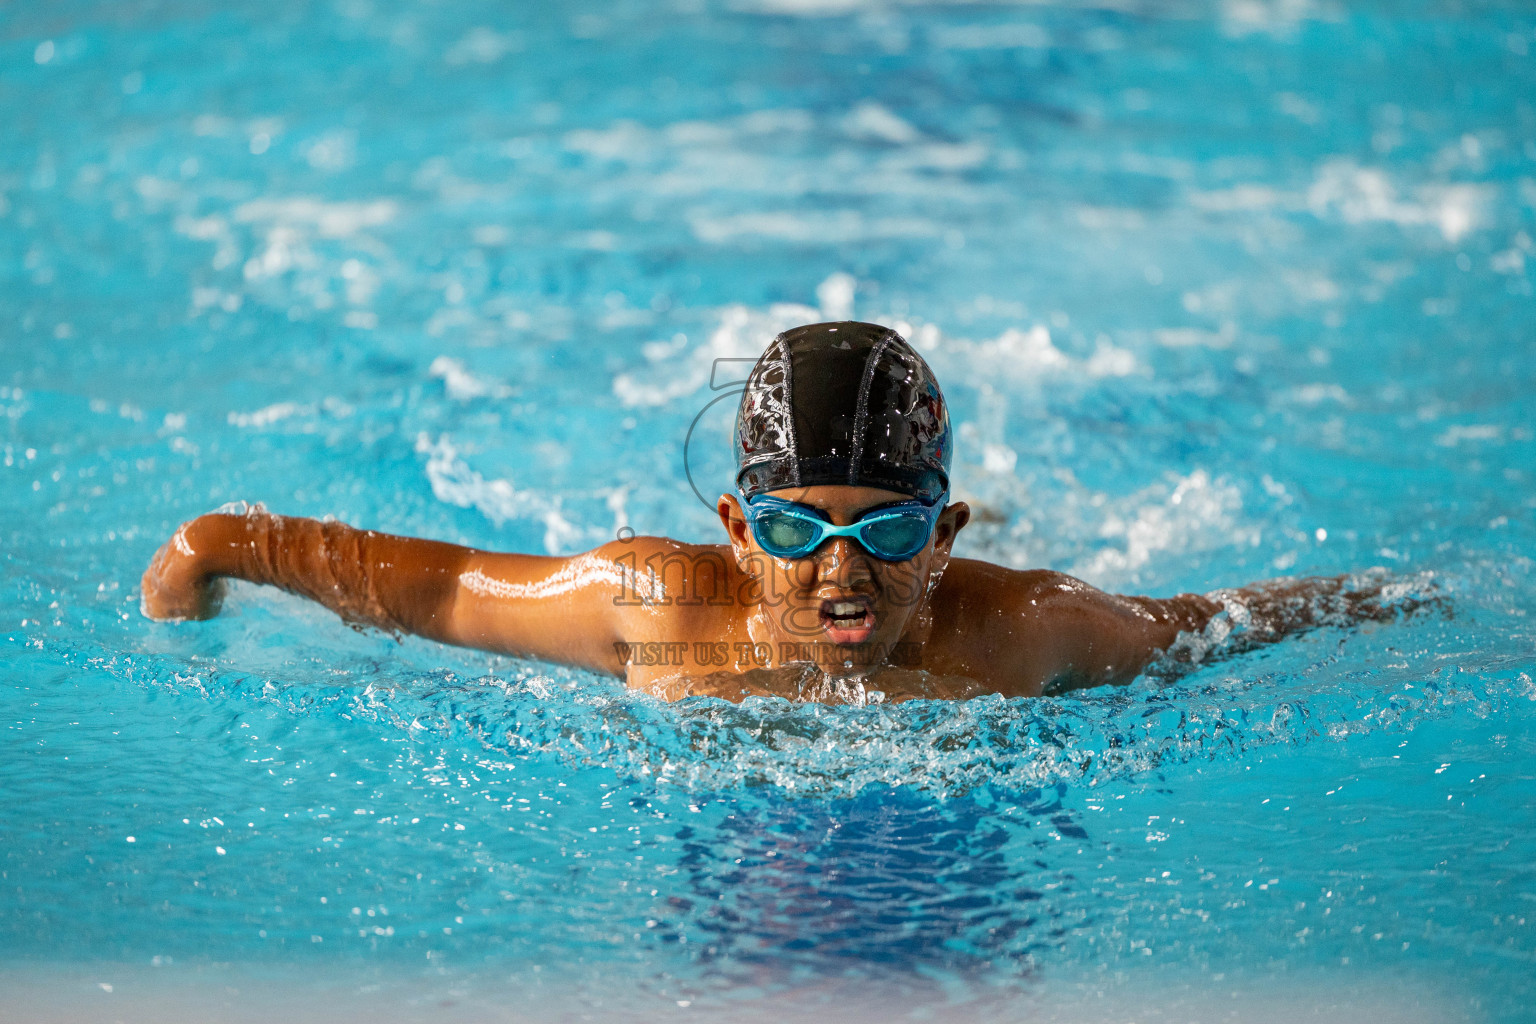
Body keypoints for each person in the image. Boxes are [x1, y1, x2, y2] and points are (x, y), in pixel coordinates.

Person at [141, 321, 1404, 703]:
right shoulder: (657, 606)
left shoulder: (1026, 630)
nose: (840, 570)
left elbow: (1208, 620)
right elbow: (447, 586)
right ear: (740, 536)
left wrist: (1382, 596)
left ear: (947, 536)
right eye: (799, 531)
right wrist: (226, 545)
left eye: (890, 530)